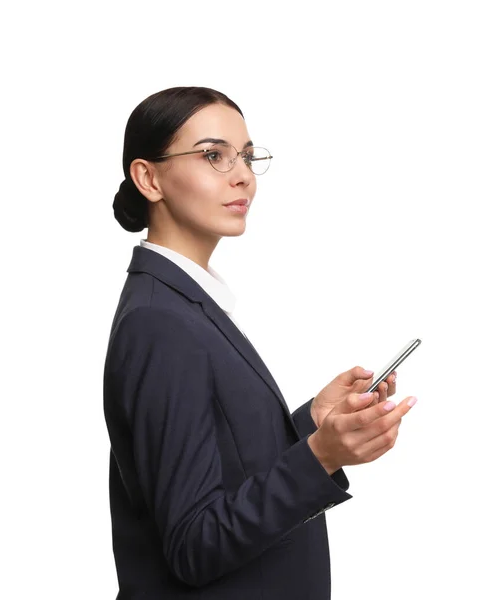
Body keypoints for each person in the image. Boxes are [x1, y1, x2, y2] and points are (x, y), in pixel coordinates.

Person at [102, 86, 417, 600]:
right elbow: (194, 545)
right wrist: (319, 456)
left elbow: (219, 468)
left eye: (247, 156)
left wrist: (310, 424)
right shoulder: (160, 322)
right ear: (148, 177)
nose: (242, 174)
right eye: (213, 155)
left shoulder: (185, 305)